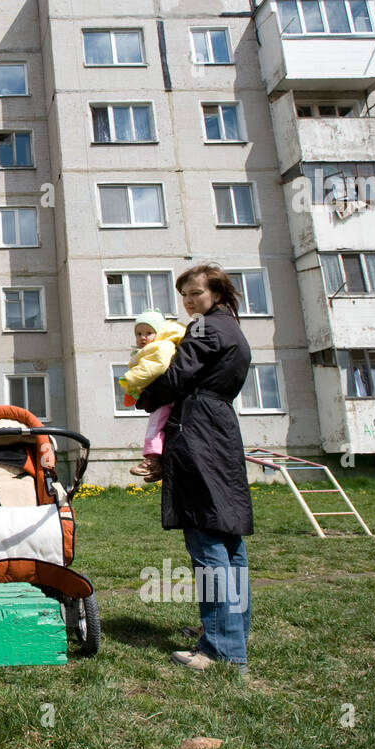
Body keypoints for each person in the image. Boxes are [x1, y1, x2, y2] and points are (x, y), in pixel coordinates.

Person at [136, 264, 254, 671]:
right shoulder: (234, 329)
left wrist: (144, 396)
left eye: (197, 293)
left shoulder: (203, 328)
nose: (189, 301)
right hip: (222, 428)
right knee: (229, 538)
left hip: (199, 429)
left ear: (217, 293)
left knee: (206, 539)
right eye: (184, 294)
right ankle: (232, 631)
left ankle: (221, 649)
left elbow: (179, 373)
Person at [119, 308, 186, 482]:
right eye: (139, 333)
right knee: (164, 428)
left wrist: (130, 379)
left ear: (159, 333)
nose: (142, 337)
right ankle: (160, 465)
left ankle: (152, 459)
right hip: (166, 395)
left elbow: (155, 367)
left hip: (165, 397)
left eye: (148, 333)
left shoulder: (161, 346)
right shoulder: (153, 347)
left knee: (155, 426)